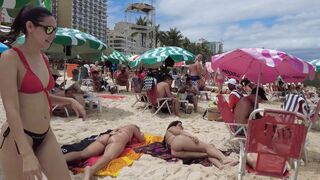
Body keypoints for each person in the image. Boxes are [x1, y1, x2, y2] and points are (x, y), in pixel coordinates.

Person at [0, 6, 86, 180]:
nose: (52, 34)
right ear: (30, 27)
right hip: (19, 138)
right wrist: (26, 154)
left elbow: (41, 96)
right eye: (48, 29)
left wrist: (69, 101)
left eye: (55, 30)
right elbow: (11, 108)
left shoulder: (44, 59)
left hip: (46, 134)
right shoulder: (11, 58)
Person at [63, 124, 145, 180]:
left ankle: (60, 159)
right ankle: (91, 170)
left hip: (106, 136)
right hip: (117, 139)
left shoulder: (122, 127)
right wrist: (141, 134)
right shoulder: (133, 128)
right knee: (107, 157)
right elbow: (141, 139)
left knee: (82, 153)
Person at [163, 121, 238, 169]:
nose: (182, 127)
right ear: (176, 124)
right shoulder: (172, 128)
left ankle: (220, 166)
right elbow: (180, 132)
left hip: (175, 152)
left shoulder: (167, 138)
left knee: (206, 154)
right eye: (181, 125)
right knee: (208, 147)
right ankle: (224, 159)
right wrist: (191, 136)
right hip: (178, 141)